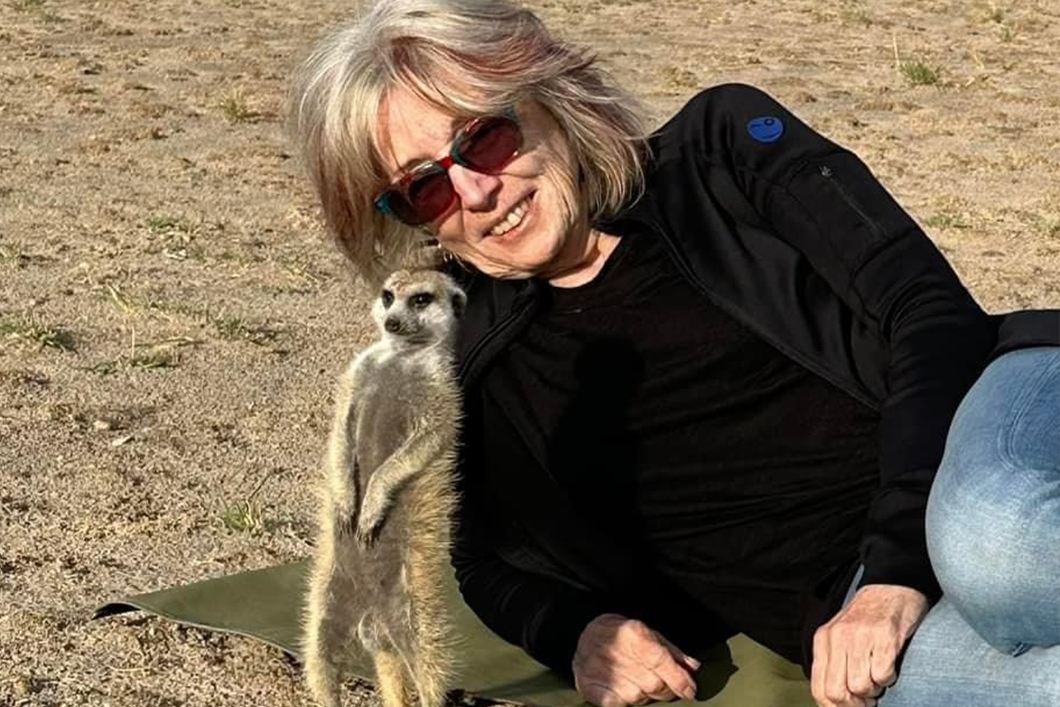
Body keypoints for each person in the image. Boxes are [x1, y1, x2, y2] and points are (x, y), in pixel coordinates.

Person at [288, 1, 1060, 706]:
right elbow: (482, 560)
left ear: (548, 97)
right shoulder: (465, 356)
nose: (477, 191)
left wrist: (896, 573)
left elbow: (927, 316)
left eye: (484, 138)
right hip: (840, 602)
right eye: (426, 189)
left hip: (988, 420)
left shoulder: (721, 152)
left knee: (994, 542)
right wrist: (580, 631)